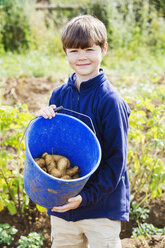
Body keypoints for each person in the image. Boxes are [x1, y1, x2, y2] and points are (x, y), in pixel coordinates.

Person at [36, 15, 131, 248]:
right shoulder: (58, 96)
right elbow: (49, 147)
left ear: (104, 49)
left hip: (101, 209)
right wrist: (43, 122)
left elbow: (116, 162)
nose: (82, 57)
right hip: (63, 206)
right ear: (65, 53)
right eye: (74, 51)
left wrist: (85, 197)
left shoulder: (110, 101)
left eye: (89, 49)